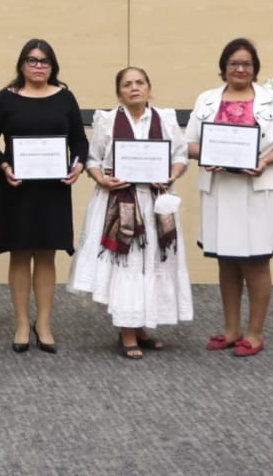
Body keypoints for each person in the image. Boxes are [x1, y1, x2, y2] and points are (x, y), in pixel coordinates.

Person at [68, 66, 192, 359]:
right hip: (116, 201)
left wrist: (172, 176)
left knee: (151, 262)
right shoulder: (107, 121)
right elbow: (93, 159)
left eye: (139, 82)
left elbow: (181, 156)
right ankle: (126, 328)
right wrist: (101, 178)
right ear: (118, 92)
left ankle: (141, 326)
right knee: (127, 262)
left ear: (149, 87)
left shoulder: (166, 119)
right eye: (127, 84)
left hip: (154, 201)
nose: (134, 88)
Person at [185, 37, 273, 358]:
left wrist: (264, 160)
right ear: (223, 68)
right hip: (220, 189)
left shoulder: (272, 101)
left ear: (255, 68)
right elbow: (189, 143)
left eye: (246, 63)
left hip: (257, 190)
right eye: (234, 63)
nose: (240, 69)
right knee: (227, 260)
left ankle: (255, 332)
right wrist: (206, 153)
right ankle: (231, 329)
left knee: (257, 261)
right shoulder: (206, 99)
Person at [0, 39, 87, 353]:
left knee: (46, 254)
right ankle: (20, 323)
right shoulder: (5, 99)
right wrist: (3, 165)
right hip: (17, 188)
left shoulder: (65, 98)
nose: (38, 66)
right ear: (22, 65)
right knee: (19, 254)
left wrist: (78, 166)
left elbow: (80, 143)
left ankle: (43, 323)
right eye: (32, 60)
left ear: (53, 66)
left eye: (45, 61)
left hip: (53, 189)